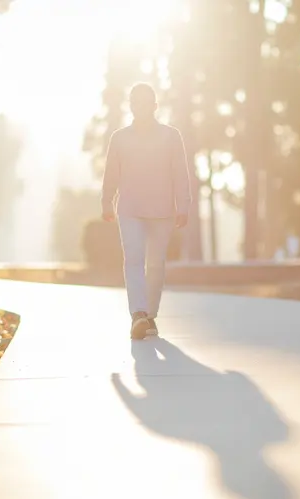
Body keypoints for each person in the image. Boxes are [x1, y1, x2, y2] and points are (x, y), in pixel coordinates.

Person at [101, 83, 192, 340]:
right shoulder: (119, 138)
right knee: (133, 259)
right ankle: (138, 315)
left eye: (145, 102)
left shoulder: (171, 136)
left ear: (154, 106)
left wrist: (183, 205)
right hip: (129, 209)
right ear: (130, 106)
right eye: (135, 102)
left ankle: (150, 315)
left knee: (155, 264)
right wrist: (106, 201)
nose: (140, 107)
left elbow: (180, 173)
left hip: (162, 211)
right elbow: (111, 174)